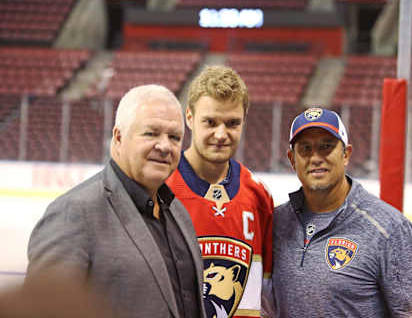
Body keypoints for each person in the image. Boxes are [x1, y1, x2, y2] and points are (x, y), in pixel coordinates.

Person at [27, 85, 206, 318]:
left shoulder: (178, 212)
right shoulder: (73, 213)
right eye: (151, 133)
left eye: (174, 137)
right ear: (119, 137)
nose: (164, 146)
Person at [270, 107, 412, 317]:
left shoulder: (389, 228)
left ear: (346, 154)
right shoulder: (277, 223)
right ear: (292, 159)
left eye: (326, 147)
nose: (316, 158)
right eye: (305, 149)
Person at [166, 65, 274, 318]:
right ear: (190, 118)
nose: (221, 134)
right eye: (210, 122)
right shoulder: (161, 190)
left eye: (232, 123)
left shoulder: (258, 195)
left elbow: (267, 290)